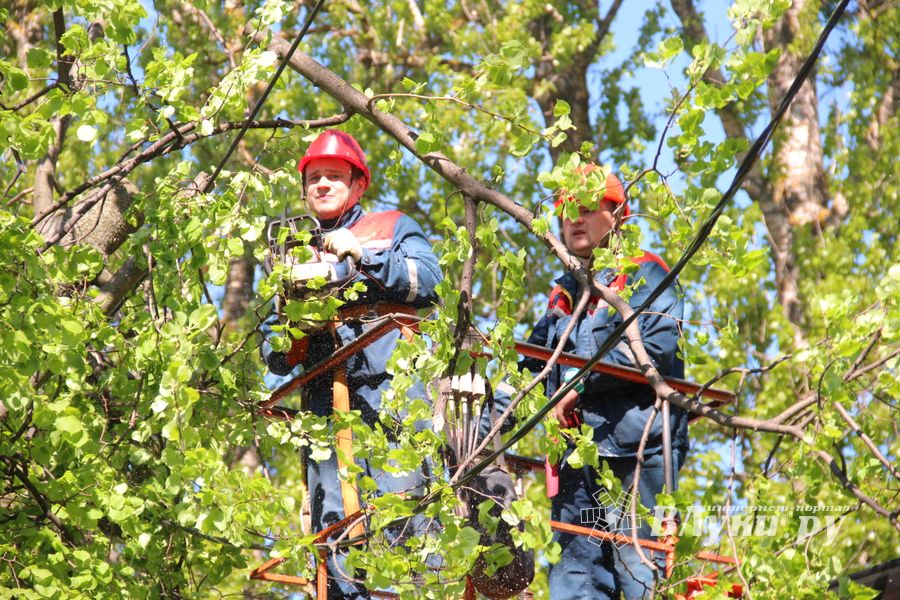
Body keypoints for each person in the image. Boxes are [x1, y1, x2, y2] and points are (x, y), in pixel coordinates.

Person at [261, 129, 442, 598]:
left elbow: (428, 280)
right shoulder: (292, 253)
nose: (322, 184)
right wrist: (294, 322)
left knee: (403, 517)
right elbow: (274, 354)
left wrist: (360, 257)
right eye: (314, 177)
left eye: (334, 176)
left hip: (391, 395)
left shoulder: (389, 228)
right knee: (333, 533)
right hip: (323, 408)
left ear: (358, 184)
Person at [494, 165, 688, 599]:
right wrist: (489, 411)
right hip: (576, 460)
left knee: (637, 569)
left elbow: (655, 344)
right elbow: (534, 366)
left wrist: (580, 384)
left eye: (586, 208)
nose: (574, 220)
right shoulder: (564, 296)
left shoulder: (643, 274)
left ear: (617, 215)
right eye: (566, 212)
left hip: (635, 453)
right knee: (574, 581)